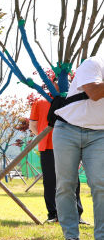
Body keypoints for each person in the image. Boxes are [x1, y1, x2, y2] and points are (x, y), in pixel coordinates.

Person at [52, 55, 104, 240]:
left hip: (100, 133)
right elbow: (94, 92)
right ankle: (71, 236)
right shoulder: (93, 63)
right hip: (68, 129)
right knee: (66, 184)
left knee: (100, 183)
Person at [29, 92, 84, 224]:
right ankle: (54, 214)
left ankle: (74, 215)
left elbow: (33, 126)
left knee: (71, 181)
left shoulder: (72, 98)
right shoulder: (40, 102)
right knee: (52, 182)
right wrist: (45, 137)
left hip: (67, 145)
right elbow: (33, 125)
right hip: (51, 146)